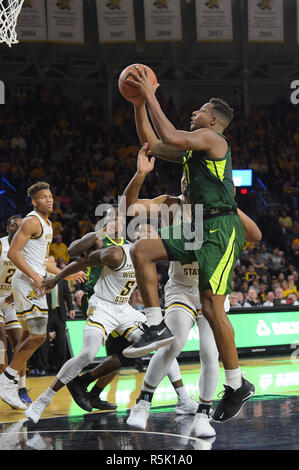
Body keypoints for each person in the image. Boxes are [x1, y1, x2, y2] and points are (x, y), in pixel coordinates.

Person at [121, 66, 259, 422]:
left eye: (198, 110)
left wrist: (151, 93)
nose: (193, 113)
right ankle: (155, 324)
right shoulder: (192, 152)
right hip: (198, 224)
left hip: (219, 226)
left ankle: (235, 385)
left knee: (214, 310)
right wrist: (138, 104)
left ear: (212, 120)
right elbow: (154, 143)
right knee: (142, 249)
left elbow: (168, 131)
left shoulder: (215, 141)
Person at [25, 208, 196, 424]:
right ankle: (43, 400)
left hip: (124, 309)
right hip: (102, 306)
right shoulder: (117, 253)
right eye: (145, 233)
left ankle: (184, 399)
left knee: (164, 343)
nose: (151, 238)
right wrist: (56, 279)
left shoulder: (149, 259)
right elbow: (80, 261)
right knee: (88, 353)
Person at [0, 181, 86, 410]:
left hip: (36, 283)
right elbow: (13, 253)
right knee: (38, 336)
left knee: (28, 337)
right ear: (34, 201)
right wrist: (37, 279)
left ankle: (14, 383)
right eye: (44, 197)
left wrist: (64, 275)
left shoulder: (47, 224)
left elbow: (41, 263)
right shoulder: (31, 221)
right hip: (28, 284)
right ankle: (6, 380)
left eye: (50, 196)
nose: (50, 200)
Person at [0, 215, 31, 404]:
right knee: (1, 338)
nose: (17, 228)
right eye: (14, 225)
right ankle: (5, 382)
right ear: (8, 227)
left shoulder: (26, 249)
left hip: (12, 300)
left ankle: (21, 386)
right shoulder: (2, 245)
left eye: (21, 226)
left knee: (21, 342)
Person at [46, 256, 76, 371]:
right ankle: (45, 366)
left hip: (59, 310)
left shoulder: (61, 277)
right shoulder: (42, 276)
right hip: (47, 311)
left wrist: (71, 308)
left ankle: (61, 365)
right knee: (44, 340)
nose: (53, 264)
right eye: (50, 262)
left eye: (53, 262)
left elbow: (67, 294)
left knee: (61, 340)